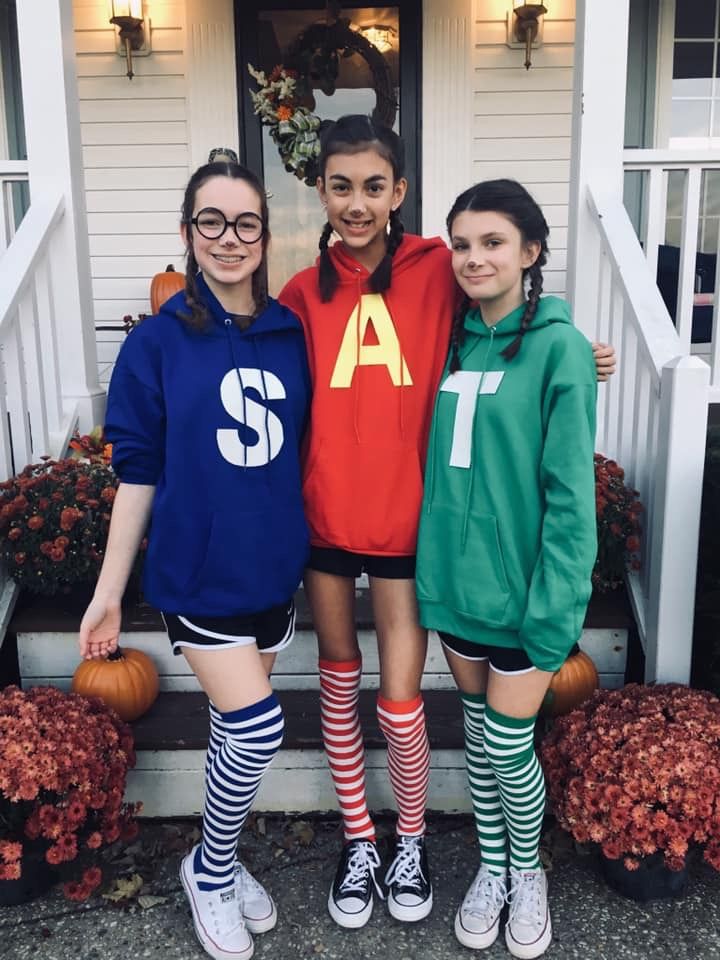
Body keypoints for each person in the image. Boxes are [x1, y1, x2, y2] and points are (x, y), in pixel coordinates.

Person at [279, 115, 614, 930]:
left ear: (400, 192)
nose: (356, 204)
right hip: (326, 514)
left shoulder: (437, 265)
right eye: (340, 186)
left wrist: (568, 338)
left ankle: (413, 839)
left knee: (400, 696)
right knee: (336, 676)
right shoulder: (299, 291)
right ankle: (361, 837)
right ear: (318, 191)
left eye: (374, 186)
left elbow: (511, 306)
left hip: (407, 526)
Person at [78, 161, 311, 960]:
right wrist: (110, 593)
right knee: (256, 728)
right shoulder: (155, 342)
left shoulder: (289, 333)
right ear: (186, 233)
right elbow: (137, 472)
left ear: (264, 236)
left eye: (245, 223)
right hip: (198, 569)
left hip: (272, 568)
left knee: (227, 732)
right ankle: (209, 871)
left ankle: (220, 856)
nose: (228, 239)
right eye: (210, 221)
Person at [415, 178, 598, 959]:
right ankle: (491, 869)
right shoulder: (450, 340)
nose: (472, 257)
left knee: (509, 746)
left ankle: (528, 873)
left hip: (525, 595)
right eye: (460, 243)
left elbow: (570, 496)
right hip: (454, 589)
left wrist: (556, 609)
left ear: (530, 252)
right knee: (482, 740)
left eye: (492, 242)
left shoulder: (560, 347)